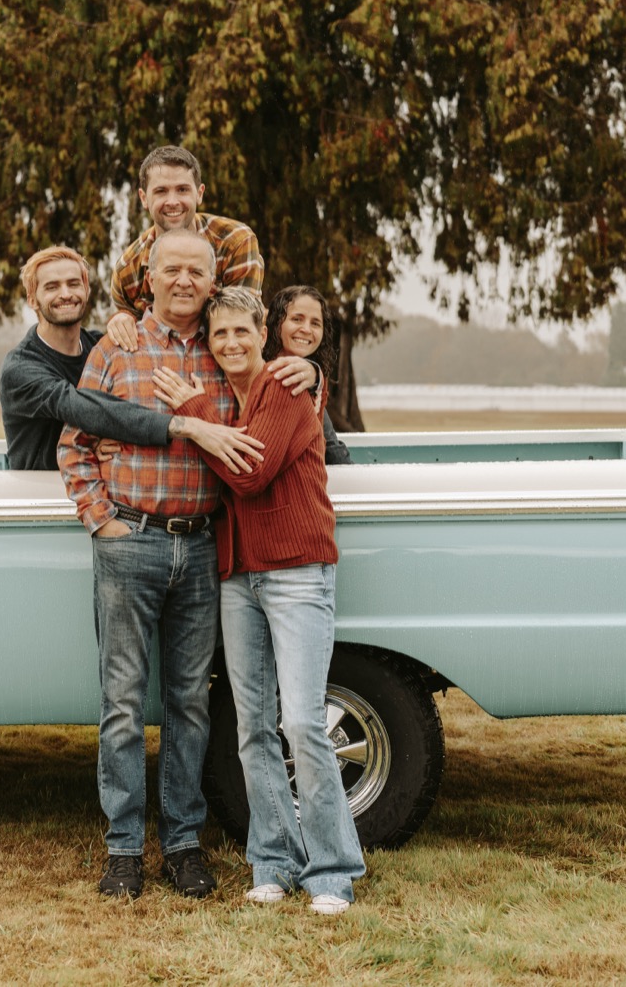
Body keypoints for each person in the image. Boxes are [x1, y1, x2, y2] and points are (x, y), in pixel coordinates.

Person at [154, 285, 366, 915]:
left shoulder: (287, 388)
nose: (230, 344)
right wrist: (201, 412)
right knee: (252, 726)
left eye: (242, 332)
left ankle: (331, 871)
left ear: (262, 331)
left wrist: (192, 414)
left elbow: (250, 472)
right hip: (237, 574)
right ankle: (272, 861)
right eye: (218, 335)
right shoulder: (227, 397)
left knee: (302, 722)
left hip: (297, 570)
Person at [57, 228, 230, 901]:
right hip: (133, 542)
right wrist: (103, 519)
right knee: (123, 701)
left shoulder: (225, 348)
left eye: (197, 270)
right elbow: (75, 443)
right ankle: (124, 846)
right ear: (149, 277)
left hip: (203, 543)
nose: (185, 280)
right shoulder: (117, 348)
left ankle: (183, 842)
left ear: (212, 282)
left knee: (190, 701)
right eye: (172, 269)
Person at [0, 245, 263, 474]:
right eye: (52, 287)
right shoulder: (21, 369)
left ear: (87, 289)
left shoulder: (103, 346)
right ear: (32, 299)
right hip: (39, 494)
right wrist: (188, 426)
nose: (66, 294)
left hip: (94, 484)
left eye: (73, 283)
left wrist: (306, 368)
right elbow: (79, 405)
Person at [104, 146, 263, 352]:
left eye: (182, 190)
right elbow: (133, 337)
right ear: (144, 198)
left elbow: (242, 326)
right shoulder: (128, 270)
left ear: (199, 193)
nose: (172, 202)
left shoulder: (234, 243)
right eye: (161, 191)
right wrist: (121, 319)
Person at [263, 285, 353, 466]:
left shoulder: (313, 380)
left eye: (315, 323)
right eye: (297, 319)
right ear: (276, 322)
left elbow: (330, 448)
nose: (306, 329)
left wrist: (316, 376)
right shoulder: (261, 372)